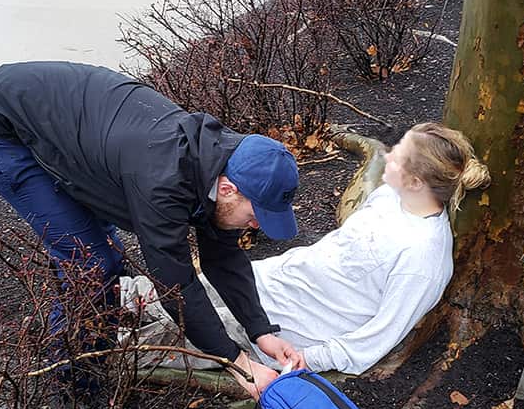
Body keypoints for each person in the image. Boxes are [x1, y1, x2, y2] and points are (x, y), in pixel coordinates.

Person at [0, 61, 303, 402]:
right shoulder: (163, 180)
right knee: (92, 266)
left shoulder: (227, 163)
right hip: (2, 124)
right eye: (256, 214)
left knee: (102, 254)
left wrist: (261, 332)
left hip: (73, 124)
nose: (257, 225)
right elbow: (175, 283)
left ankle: (92, 341)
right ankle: (72, 392)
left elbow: (224, 257)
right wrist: (239, 364)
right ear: (228, 189)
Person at [163, 122, 489, 395]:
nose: (389, 155)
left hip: (286, 332)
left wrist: (307, 359)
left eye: (400, 156)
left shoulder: (423, 261)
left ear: (417, 182)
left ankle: (114, 344)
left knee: (168, 332)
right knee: (162, 292)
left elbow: (374, 341)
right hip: (265, 281)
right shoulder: (392, 195)